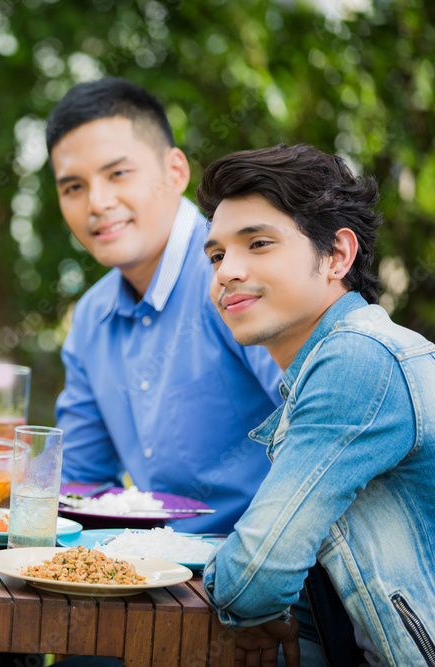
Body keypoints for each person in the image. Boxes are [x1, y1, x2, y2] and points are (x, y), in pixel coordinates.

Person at [200, 144, 435, 666]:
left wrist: (234, 580)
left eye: (258, 244)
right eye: (216, 255)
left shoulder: (359, 360)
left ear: (337, 256)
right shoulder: (337, 359)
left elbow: (253, 580)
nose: (226, 272)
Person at [47, 78, 281, 535]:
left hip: (278, 581)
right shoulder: (92, 318)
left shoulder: (237, 276)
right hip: (163, 583)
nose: (98, 203)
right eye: (73, 187)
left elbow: (324, 432)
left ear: (175, 172)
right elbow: (81, 484)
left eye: (118, 174)